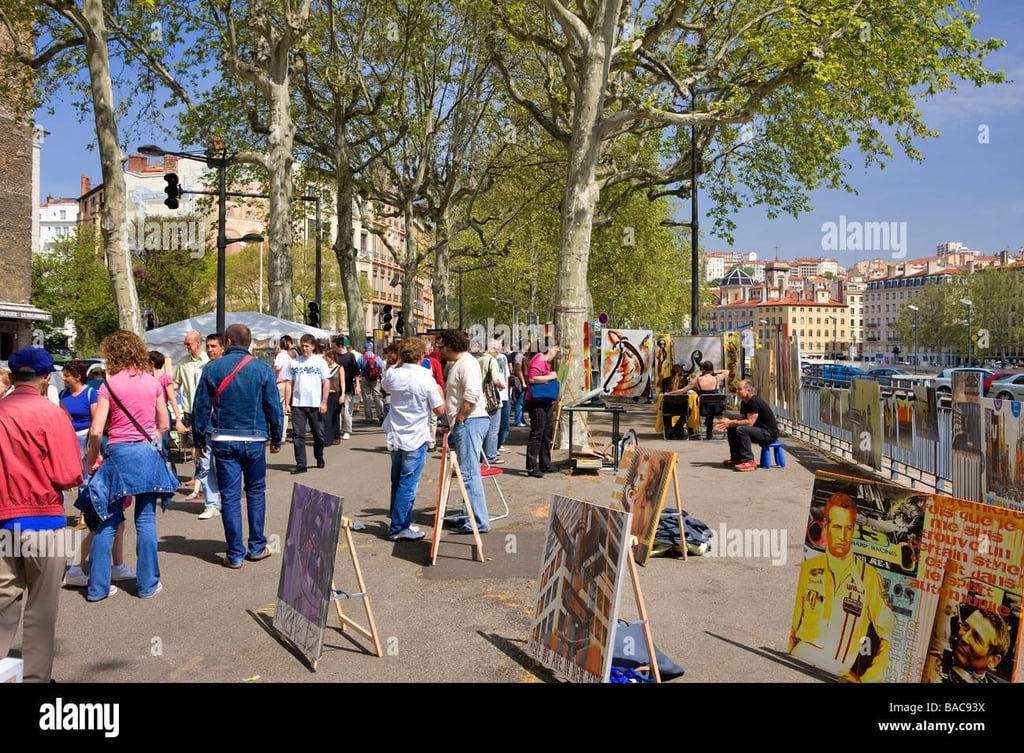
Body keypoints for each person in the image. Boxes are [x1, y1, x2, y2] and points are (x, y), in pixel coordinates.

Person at [0, 347, 83, 681]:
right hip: (44, 520)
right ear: (46, 378)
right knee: (42, 606)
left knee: (4, 598)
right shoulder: (52, 415)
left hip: (4, 518)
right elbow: (68, 474)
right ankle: (35, 677)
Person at [83, 330, 179, 602]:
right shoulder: (152, 383)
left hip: (118, 453)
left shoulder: (108, 386)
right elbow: (163, 423)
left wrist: (92, 458)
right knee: (146, 518)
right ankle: (148, 584)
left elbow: (96, 430)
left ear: (112, 354)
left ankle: (98, 588)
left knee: (109, 520)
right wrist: (151, 436)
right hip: (146, 453)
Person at [192, 323, 284, 569]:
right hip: (254, 438)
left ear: (228, 342)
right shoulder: (262, 369)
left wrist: (198, 439)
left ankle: (234, 553)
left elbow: (200, 406)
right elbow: (273, 407)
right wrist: (276, 437)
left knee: (230, 497)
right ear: (249, 343)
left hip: (223, 438)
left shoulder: (213, 368)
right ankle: (256, 546)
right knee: (255, 492)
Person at [788, 492, 894, 682]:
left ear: (853, 530)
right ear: (826, 527)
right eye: (837, 527)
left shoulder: (868, 577)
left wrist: (866, 679)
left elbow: (889, 638)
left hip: (836, 673)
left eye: (848, 528)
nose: (842, 536)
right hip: (797, 660)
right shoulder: (809, 569)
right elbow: (793, 628)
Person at [59, 360, 134, 588]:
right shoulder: (106, 438)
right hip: (102, 480)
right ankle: (79, 569)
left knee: (115, 524)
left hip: (97, 468)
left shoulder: (102, 427)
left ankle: (117, 565)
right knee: (103, 525)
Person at [381, 337, 446, 540]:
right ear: (421, 356)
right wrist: (441, 393)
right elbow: (439, 409)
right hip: (415, 436)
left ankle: (399, 521)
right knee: (408, 484)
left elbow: (384, 386)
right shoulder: (426, 378)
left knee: (397, 479)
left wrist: (398, 363)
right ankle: (399, 527)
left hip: (395, 434)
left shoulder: (393, 374)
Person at [434, 329, 491, 534]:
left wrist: (459, 418)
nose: (438, 350)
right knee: (466, 472)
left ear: (450, 345)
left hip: (470, 421)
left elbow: (472, 393)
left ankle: (477, 521)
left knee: (468, 473)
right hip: (467, 421)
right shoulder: (461, 363)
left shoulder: (466, 363)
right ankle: (470, 515)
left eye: (440, 346)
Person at [926, 606, 1011, 683]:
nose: (964, 638)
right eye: (966, 627)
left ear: (993, 661)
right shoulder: (931, 660)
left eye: (977, 638)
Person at [283, 334, 330, 474]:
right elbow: (289, 383)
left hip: (315, 404)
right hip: (298, 404)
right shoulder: (294, 362)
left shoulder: (320, 362)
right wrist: (287, 403)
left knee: (318, 434)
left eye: (307, 346)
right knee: (298, 435)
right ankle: (301, 464)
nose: (304, 349)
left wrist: (324, 402)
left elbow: (326, 382)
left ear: (313, 346)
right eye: (302, 346)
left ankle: (319, 455)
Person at [173, 329, 209, 499]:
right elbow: (176, 384)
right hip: (189, 409)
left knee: (205, 444)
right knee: (194, 445)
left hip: (207, 409)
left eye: (189, 343)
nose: (186, 346)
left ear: (198, 342)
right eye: (185, 343)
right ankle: (198, 475)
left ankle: (204, 477)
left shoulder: (209, 361)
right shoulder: (183, 363)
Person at [716, 379, 778, 471]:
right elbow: (741, 419)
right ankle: (736, 458)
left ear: (748, 391)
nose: (737, 391)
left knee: (741, 429)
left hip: (768, 434)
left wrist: (731, 422)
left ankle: (749, 461)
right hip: (757, 430)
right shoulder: (744, 402)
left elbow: (749, 422)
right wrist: (728, 423)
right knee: (732, 428)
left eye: (739, 389)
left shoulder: (754, 401)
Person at [525, 343, 561, 478]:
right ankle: (531, 466)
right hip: (537, 402)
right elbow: (532, 378)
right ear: (549, 348)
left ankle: (545, 463)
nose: (557, 350)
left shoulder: (544, 361)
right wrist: (551, 376)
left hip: (545, 401)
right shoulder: (539, 359)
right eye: (555, 347)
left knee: (546, 432)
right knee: (537, 433)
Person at [670, 360, 730, 439]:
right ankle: (709, 428)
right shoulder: (717, 378)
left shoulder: (698, 379)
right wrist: (712, 371)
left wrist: (672, 392)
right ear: (711, 369)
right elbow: (727, 371)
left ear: (703, 369)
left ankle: (708, 427)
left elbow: (684, 390)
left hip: (703, 408)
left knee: (705, 404)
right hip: (717, 407)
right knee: (711, 403)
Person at [334, 337, 359, 440]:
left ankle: (347, 430)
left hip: (348, 387)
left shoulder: (350, 356)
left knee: (347, 411)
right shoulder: (334, 356)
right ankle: (337, 429)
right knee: (336, 411)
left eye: (334, 346)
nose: (333, 348)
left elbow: (356, 372)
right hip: (335, 387)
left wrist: (357, 385)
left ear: (340, 346)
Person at [274, 335, 295, 441]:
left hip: (280, 382)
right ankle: (283, 434)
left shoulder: (281, 355)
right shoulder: (291, 355)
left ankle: (278, 433)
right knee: (285, 408)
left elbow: (277, 367)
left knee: (277, 408)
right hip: (289, 383)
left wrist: (274, 375)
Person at [358, 343, 386, 424]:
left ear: (364, 349)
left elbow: (358, 369)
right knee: (377, 397)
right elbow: (382, 368)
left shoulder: (361, 358)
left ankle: (369, 418)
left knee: (367, 398)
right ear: (371, 348)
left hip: (365, 378)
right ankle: (381, 415)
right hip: (376, 380)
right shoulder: (377, 358)